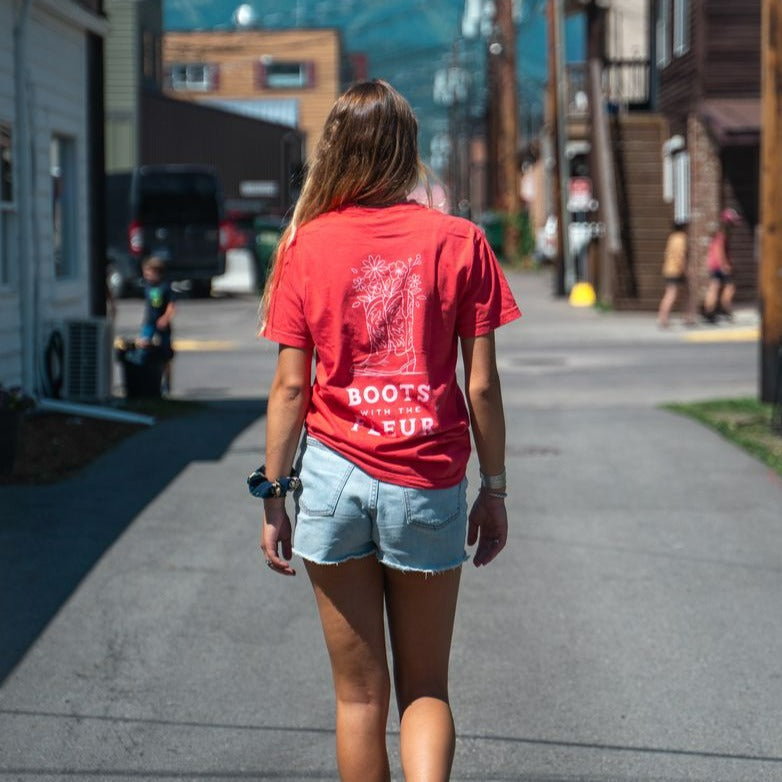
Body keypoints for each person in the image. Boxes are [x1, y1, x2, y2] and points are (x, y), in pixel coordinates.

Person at [254, 79, 521, 782]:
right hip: (425, 480)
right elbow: (483, 385)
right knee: (425, 688)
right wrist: (493, 490)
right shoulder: (460, 242)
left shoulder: (304, 246)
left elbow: (290, 386)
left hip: (334, 478)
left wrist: (272, 494)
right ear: (408, 150)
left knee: (358, 697)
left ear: (334, 149)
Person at [138, 255, 175, 392]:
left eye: (149, 273)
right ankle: (146, 380)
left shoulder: (165, 287)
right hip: (149, 322)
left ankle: (167, 383)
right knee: (144, 345)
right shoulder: (147, 286)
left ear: (157, 272)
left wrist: (165, 318)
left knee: (165, 355)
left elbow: (171, 306)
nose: (146, 276)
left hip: (162, 324)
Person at [703, 207, 742, 323]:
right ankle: (726, 309)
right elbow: (719, 250)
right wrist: (725, 264)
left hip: (713, 265)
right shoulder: (722, 235)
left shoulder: (718, 234)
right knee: (730, 288)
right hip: (719, 266)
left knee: (714, 288)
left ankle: (709, 312)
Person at [657, 221, 693, 328]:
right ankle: (664, 319)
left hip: (668, 268)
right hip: (676, 270)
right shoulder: (681, 238)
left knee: (677, 293)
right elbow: (680, 256)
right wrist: (685, 270)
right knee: (672, 294)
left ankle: (666, 317)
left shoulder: (672, 237)